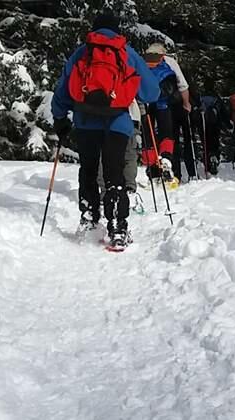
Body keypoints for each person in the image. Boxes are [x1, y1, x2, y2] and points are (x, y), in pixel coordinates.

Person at [51, 12, 163, 247]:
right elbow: (152, 92)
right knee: (115, 173)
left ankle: (89, 219)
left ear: (94, 30)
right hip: (117, 122)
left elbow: (63, 90)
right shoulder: (126, 53)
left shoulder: (82, 53)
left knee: (89, 170)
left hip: (85, 121)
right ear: (117, 31)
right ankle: (117, 227)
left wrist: (60, 118)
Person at [142, 41, 193, 181]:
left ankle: (151, 167)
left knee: (148, 135)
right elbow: (183, 85)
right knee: (167, 134)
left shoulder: (141, 62)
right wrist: (186, 104)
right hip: (164, 105)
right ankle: (167, 160)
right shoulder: (168, 61)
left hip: (146, 105)